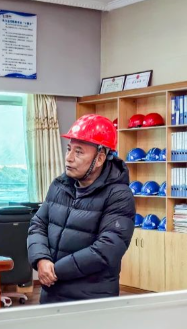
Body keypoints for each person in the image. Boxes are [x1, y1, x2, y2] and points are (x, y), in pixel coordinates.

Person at [27, 114, 135, 304]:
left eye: (79, 152)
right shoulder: (59, 186)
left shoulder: (119, 196)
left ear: (99, 159)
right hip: (52, 294)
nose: (69, 158)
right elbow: (38, 224)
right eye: (69, 149)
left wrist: (54, 271)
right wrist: (41, 260)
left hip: (91, 300)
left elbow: (106, 250)